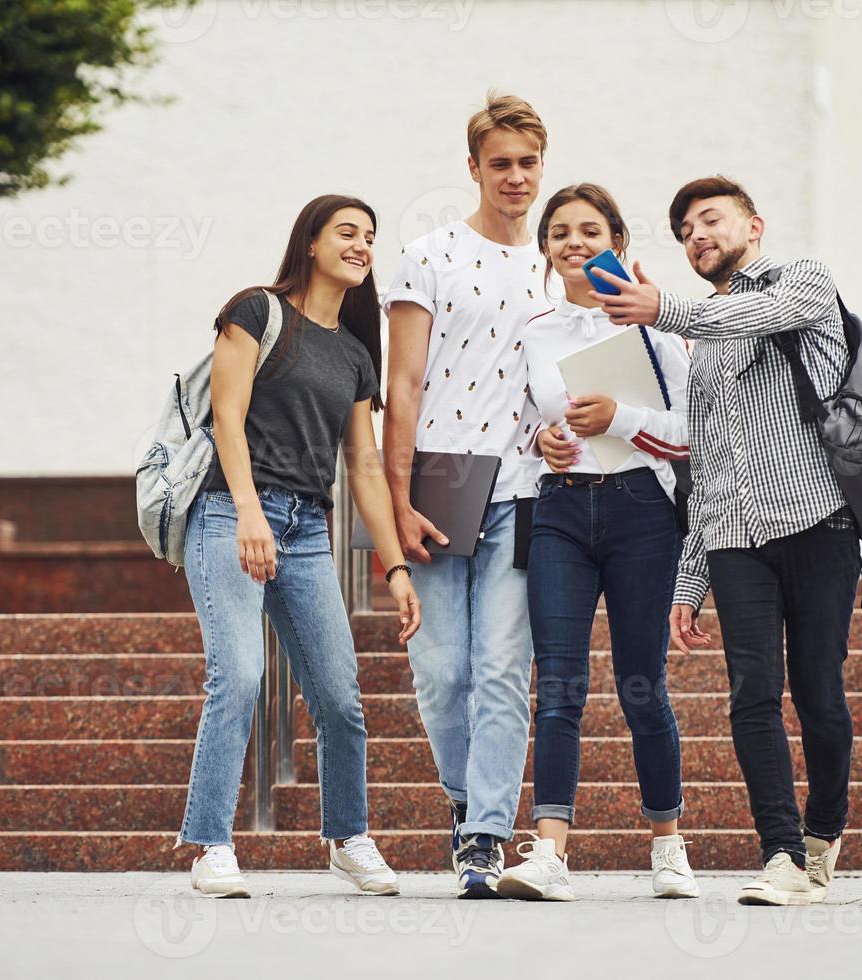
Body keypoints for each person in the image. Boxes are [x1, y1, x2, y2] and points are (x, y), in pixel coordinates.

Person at [591, 175, 861, 907]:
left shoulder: (803, 282)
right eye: (683, 230)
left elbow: (759, 314)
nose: (695, 235)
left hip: (817, 522)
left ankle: (823, 828)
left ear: (753, 225)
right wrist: (689, 580)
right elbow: (702, 468)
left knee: (818, 694)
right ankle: (780, 855)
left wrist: (664, 310)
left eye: (709, 220)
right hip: (736, 539)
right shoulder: (701, 343)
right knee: (751, 694)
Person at [174, 194, 421, 899]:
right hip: (228, 511)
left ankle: (348, 838)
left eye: (370, 237)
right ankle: (210, 844)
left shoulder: (352, 352)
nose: (361, 245)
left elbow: (364, 466)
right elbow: (227, 418)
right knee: (241, 676)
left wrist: (394, 565)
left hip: (308, 529)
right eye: (347, 232)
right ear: (309, 243)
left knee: (340, 698)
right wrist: (249, 511)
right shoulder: (254, 311)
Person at [495, 183, 699, 902]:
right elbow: (518, 431)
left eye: (588, 231)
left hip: (642, 512)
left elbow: (689, 434)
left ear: (615, 241)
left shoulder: (654, 328)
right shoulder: (533, 328)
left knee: (642, 684)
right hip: (559, 513)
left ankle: (668, 844)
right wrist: (543, 442)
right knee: (558, 684)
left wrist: (616, 417)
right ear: (545, 248)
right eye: (559, 233)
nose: (573, 243)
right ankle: (549, 853)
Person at [382, 92, 548, 898]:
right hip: (440, 483)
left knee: (502, 669)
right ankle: (461, 799)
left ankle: (485, 832)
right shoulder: (429, 255)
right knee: (441, 668)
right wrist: (395, 494)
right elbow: (402, 383)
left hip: (526, 489)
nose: (515, 177)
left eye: (527, 163)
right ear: (474, 168)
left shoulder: (560, 265)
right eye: (500, 163)